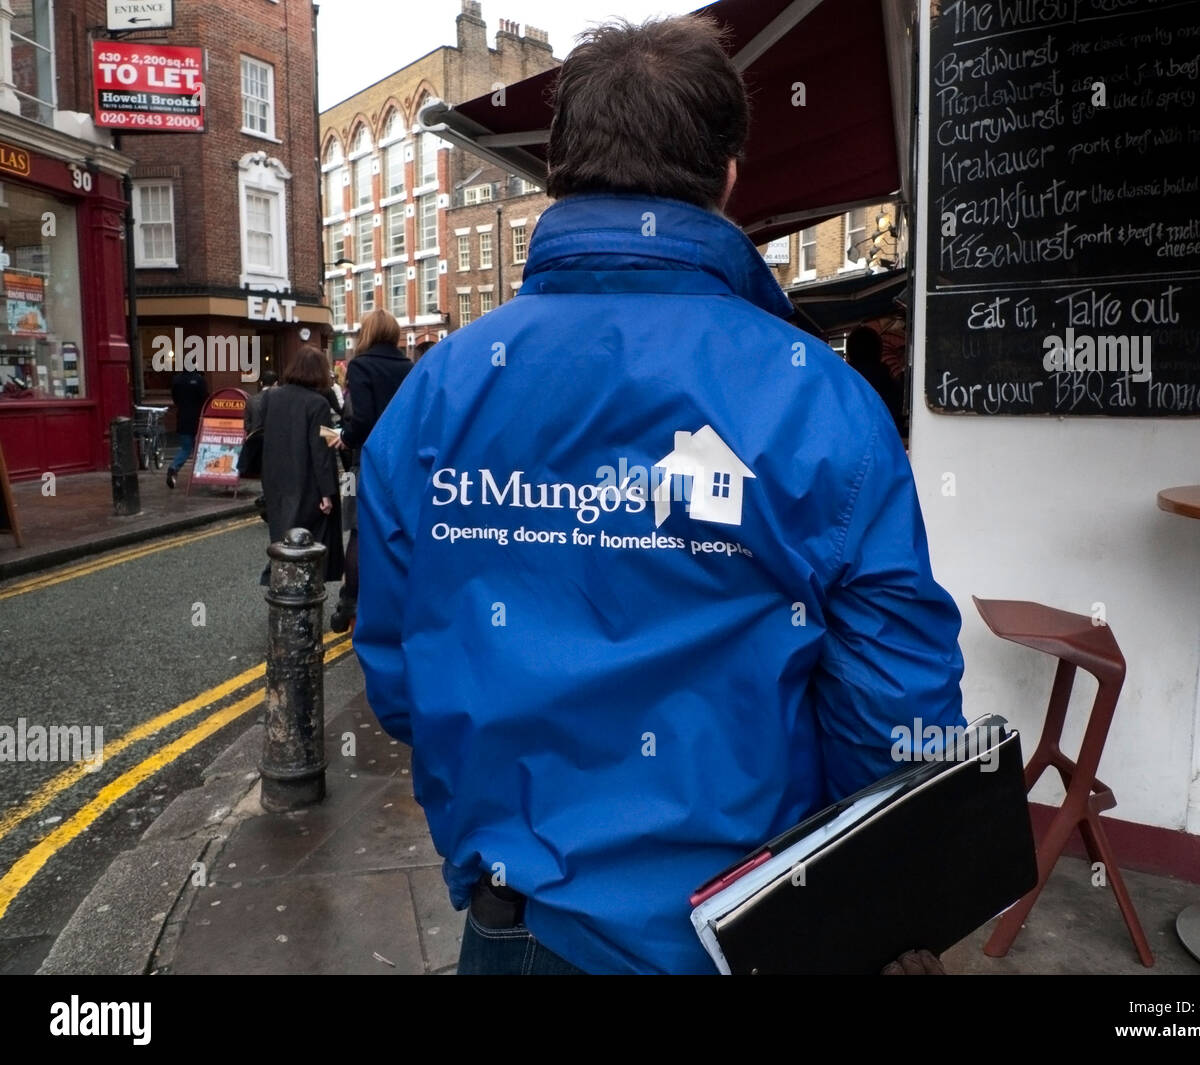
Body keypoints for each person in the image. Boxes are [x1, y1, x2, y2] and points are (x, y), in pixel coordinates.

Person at [354, 15, 963, 975]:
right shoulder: (822, 399)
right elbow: (895, 711)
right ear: (728, 177)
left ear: (558, 173)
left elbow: (397, 676)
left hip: (518, 927)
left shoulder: (435, 395)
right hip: (751, 926)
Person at [325, 309, 412, 632]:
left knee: (360, 533)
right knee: (398, 531)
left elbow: (362, 420)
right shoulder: (408, 366)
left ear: (367, 332)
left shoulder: (360, 366)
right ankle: (395, 602)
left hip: (371, 460)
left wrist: (346, 439)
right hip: (404, 462)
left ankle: (350, 603)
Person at [259, 347, 343, 586]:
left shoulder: (271, 397)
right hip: (307, 482)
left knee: (282, 537)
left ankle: (279, 584)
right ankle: (301, 591)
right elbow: (322, 451)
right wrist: (327, 492)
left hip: (276, 478)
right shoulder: (317, 404)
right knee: (308, 542)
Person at [845, 325, 907, 440]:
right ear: (879, 352)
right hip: (885, 446)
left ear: (849, 353)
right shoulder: (891, 387)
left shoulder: (840, 385)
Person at [166, 367, 208, 489]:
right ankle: (201, 474)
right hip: (197, 418)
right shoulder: (199, 380)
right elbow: (204, 398)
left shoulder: (177, 380)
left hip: (183, 418)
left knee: (185, 448)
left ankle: (174, 467)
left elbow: (175, 398)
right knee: (200, 448)